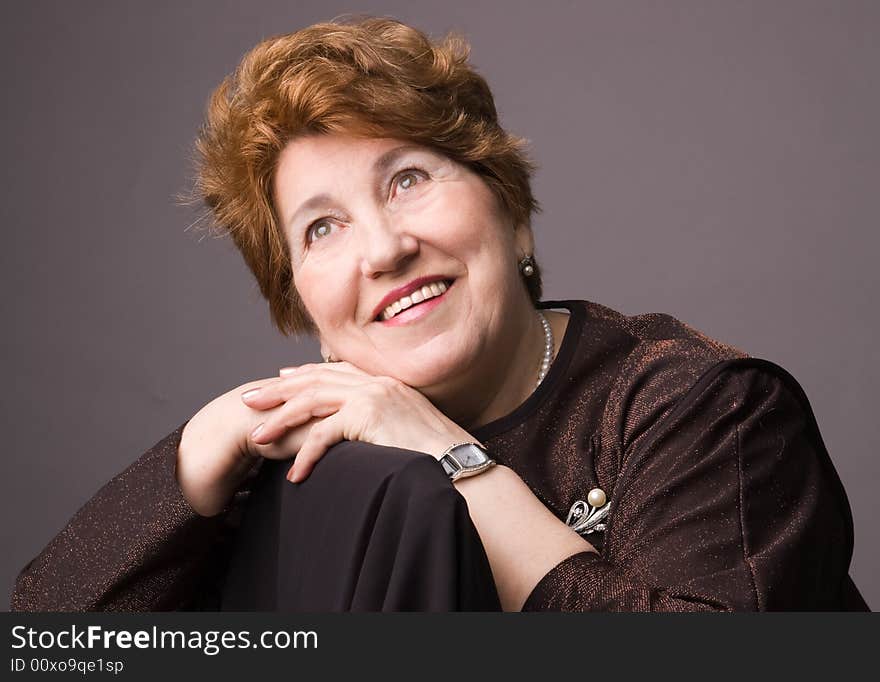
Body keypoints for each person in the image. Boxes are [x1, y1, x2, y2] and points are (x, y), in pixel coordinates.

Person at [10, 16, 868, 612]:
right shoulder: (312, 466)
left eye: (408, 180)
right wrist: (193, 462)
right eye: (323, 228)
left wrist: (450, 459)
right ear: (299, 297)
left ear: (511, 207)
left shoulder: (701, 407)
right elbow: (52, 646)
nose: (381, 250)